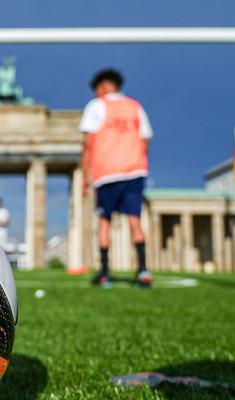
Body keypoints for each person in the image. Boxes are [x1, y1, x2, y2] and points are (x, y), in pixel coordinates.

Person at [80, 68, 154, 288]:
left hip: (107, 173)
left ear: (103, 87)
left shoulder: (96, 105)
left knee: (105, 221)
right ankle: (143, 270)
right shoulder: (135, 106)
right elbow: (145, 140)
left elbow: (87, 143)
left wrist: (85, 177)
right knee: (135, 221)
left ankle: (104, 273)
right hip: (135, 170)